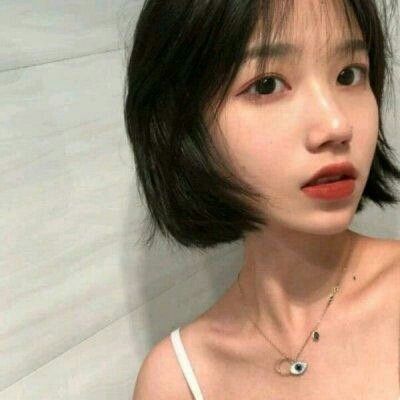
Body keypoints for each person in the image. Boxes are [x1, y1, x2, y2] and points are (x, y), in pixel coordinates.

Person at [126, 0, 400, 398]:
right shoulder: (177, 381)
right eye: (267, 84)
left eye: (348, 75)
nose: (336, 125)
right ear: (183, 125)